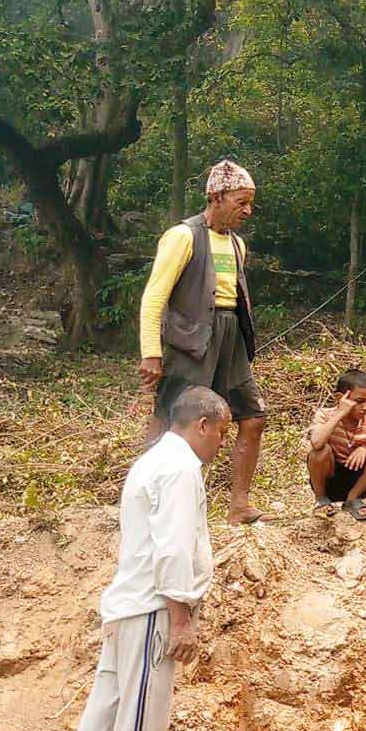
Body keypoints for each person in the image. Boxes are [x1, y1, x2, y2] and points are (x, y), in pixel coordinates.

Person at [61, 387, 231, 731]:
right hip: (152, 611)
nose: (222, 443)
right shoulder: (179, 470)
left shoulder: (152, 461)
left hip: (126, 607)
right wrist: (182, 618)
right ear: (201, 424)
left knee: (104, 715)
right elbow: (174, 550)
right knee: (138, 722)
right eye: (220, 432)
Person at [137, 158, 265, 524]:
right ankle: (150, 500)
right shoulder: (182, 237)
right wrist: (151, 353)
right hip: (191, 340)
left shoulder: (238, 245)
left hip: (230, 337)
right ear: (217, 196)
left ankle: (239, 504)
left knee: (253, 416)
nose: (247, 210)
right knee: (171, 417)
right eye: (241, 202)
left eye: (249, 202)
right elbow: (154, 297)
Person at [306, 368, 366, 520]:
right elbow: (316, 442)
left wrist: (364, 448)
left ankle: (352, 500)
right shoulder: (324, 415)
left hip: (357, 483)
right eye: (359, 401)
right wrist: (340, 413)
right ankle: (321, 501)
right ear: (341, 398)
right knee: (320, 451)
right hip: (329, 480)